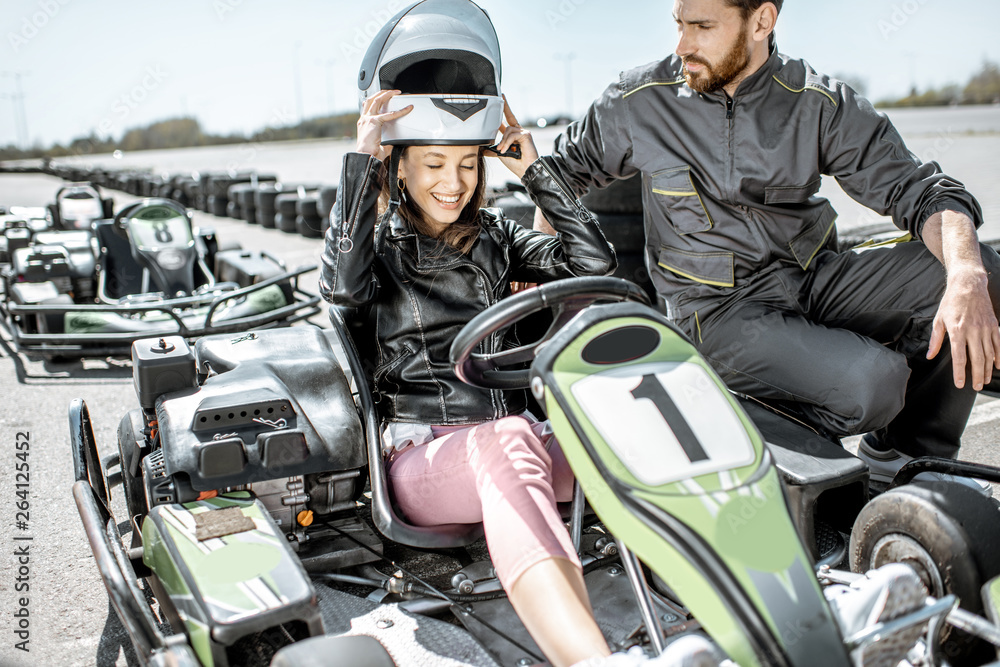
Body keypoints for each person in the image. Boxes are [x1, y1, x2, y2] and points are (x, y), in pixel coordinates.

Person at [318, 3, 720, 664]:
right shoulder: (380, 249)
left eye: (466, 165)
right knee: (508, 442)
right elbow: (340, 288)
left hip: (517, 442)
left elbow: (593, 264)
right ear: (400, 168)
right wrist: (364, 155)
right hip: (423, 461)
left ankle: (744, 617)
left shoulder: (498, 239)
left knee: (643, 422)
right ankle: (589, 658)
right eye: (433, 165)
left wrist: (533, 167)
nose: (453, 182)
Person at [538, 0, 1000, 481]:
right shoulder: (638, 100)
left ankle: (907, 454)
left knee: (976, 269)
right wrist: (535, 271)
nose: (682, 45)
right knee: (875, 384)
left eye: (701, 27)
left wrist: (966, 272)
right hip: (717, 313)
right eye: (678, 24)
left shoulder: (816, 102)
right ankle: (741, 429)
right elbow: (556, 176)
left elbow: (921, 191)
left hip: (811, 281)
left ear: (761, 21)